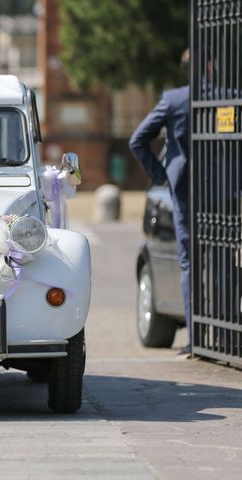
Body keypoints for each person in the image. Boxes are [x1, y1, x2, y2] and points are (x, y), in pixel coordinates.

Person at [129, 49, 191, 355]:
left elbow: (137, 140)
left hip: (183, 189)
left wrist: (162, 175)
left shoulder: (175, 100)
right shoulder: (229, 97)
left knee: (188, 261)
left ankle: (198, 338)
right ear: (211, 65)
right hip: (226, 192)